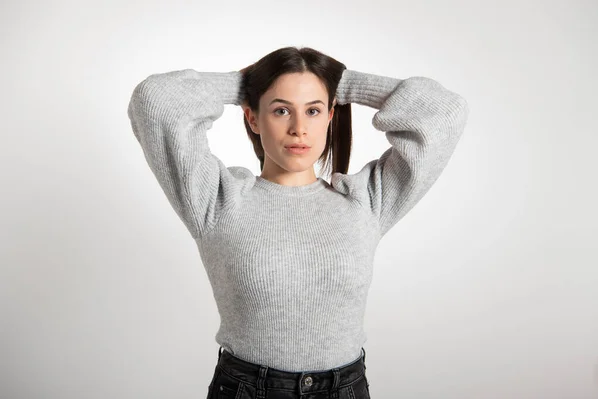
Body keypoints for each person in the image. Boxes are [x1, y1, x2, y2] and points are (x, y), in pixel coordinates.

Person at [127, 46, 469, 399]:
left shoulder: (366, 202)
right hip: (247, 389)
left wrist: (342, 81)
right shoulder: (216, 200)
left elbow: (444, 114)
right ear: (253, 118)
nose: (299, 128)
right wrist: (244, 83)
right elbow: (157, 100)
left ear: (330, 116)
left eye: (313, 110)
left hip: (344, 390)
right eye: (280, 110)